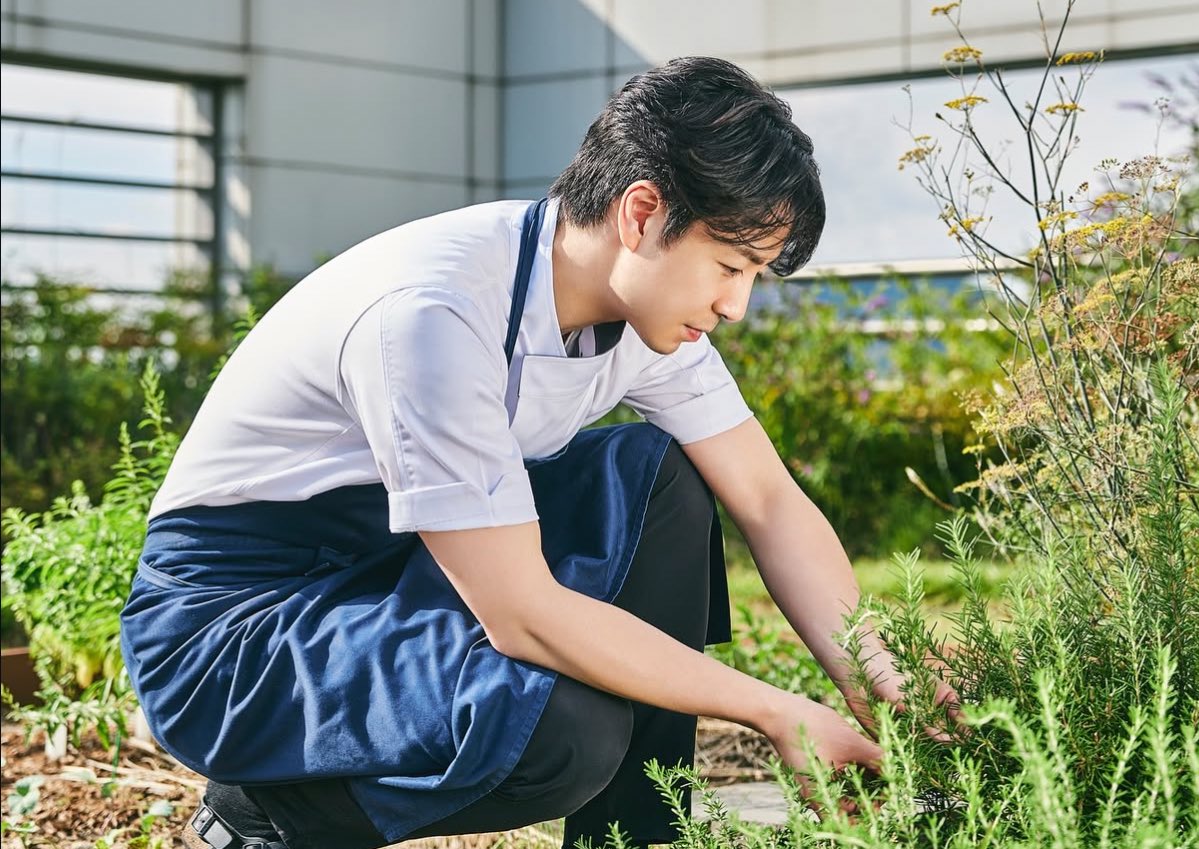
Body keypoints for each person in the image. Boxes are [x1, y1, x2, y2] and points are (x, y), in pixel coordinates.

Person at [120, 56, 961, 849]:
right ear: (640, 213)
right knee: (561, 731)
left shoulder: (642, 318)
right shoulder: (433, 313)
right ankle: (265, 809)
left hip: (393, 573)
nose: (735, 305)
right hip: (241, 631)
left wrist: (873, 666)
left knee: (659, 478)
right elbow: (519, 611)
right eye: (730, 265)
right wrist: (775, 709)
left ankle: (635, 836)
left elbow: (768, 500)